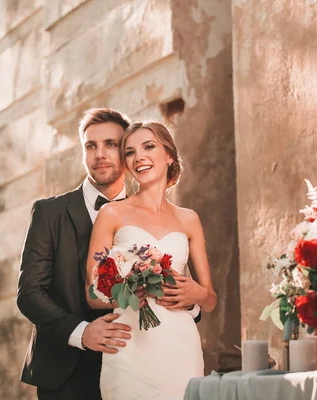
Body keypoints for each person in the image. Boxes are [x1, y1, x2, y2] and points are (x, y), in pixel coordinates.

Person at [17, 109, 201, 399]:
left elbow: (180, 284)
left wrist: (189, 302)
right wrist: (81, 332)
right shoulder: (49, 213)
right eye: (91, 146)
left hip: (140, 358)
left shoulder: (154, 216)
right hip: (67, 371)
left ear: (127, 155)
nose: (100, 154)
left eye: (111, 144)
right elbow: (29, 293)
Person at [85, 120, 216, 399]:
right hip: (129, 344)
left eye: (148, 147)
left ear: (169, 155)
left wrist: (197, 293)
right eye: (130, 152)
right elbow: (91, 292)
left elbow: (211, 298)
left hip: (181, 347)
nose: (139, 157)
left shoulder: (189, 219)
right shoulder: (111, 214)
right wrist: (127, 290)